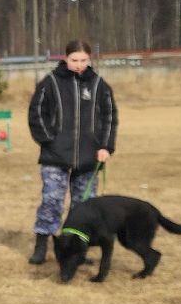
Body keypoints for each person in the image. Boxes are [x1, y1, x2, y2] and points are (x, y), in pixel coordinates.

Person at [26, 38, 118, 263]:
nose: (79, 64)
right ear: (65, 58)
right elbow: (36, 113)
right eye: (74, 60)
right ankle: (41, 244)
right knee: (51, 201)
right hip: (55, 157)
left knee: (83, 208)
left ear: (90, 59)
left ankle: (78, 248)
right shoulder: (50, 83)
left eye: (83, 60)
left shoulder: (98, 85)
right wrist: (49, 140)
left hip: (89, 158)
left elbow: (109, 117)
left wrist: (105, 146)